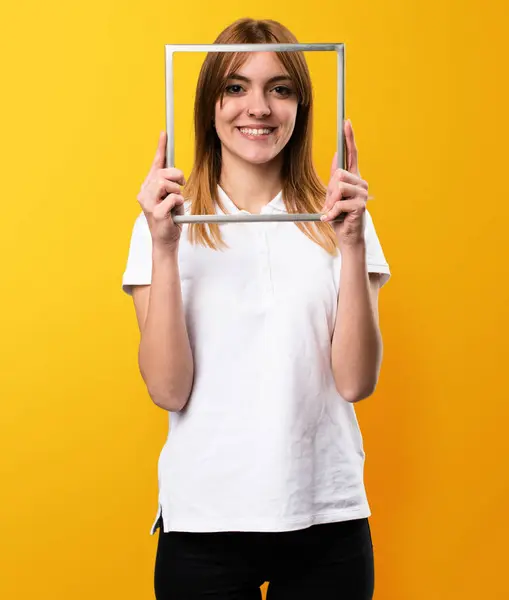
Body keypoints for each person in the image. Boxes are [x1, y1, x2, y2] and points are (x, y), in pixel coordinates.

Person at [122, 16, 390, 600]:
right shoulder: (164, 225)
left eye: (281, 88)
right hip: (205, 522)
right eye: (236, 87)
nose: (259, 108)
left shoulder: (341, 220)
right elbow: (168, 389)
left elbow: (356, 380)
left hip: (327, 518)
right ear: (208, 105)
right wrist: (165, 248)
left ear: (301, 104)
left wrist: (351, 244)